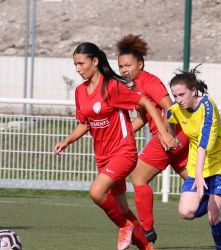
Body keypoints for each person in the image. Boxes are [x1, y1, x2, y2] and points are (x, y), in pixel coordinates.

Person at [116, 34, 221, 242]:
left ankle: (147, 231)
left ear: (141, 64)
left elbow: (170, 110)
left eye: (128, 65)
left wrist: (166, 136)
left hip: (169, 138)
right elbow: (143, 117)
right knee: (198, 185)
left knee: (138, 177)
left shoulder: (150, 83)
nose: (124, 70)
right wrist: (121, 135)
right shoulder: (136, 86)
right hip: (174, 139)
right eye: (120, 66)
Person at [54, 42, 176, 250]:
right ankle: (146, 246)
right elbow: (85, 122)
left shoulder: (112, 86)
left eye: (81, 63)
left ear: (95, 61)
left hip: (123, 152)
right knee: (122, 209)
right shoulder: (80, 92)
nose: (78, 69)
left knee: (96, 192)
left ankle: (124, 227)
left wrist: (164, 132)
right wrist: (68, 140)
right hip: (102, 157)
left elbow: (146, 103)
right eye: (75, 65)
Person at [166, 66, 221, 249]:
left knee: (213, 216)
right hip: (197, 162)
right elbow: (169, 118)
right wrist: (171, 136)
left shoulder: (208, 106)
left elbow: (203, 143)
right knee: (186, 212)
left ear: (193, 90)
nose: (178, 100)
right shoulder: (176, 109)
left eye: (182, 94)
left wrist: (199, 175)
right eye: (175, 96)